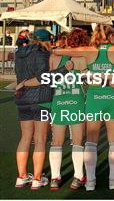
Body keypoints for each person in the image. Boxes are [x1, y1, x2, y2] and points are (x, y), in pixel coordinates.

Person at [54, 25, 114, 190]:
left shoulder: (89, 50)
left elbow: (58, 52)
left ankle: (90, 181)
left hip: (94, 98)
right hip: (112, 97)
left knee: (91, 142)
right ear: (111, 36)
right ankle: (113, 180)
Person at [14, 29, 75, 190]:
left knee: (25, 138)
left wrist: (24, 84)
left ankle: (21, 177)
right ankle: (37, 178)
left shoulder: (19, 53)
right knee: (40, 139)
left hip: (22, 99)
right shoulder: (42, 54)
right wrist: (64, 69)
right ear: (45, 41)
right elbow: (43, 78)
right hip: (40, 99)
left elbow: (20, 75)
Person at [48, 29, 88, 190]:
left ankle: (54, 178)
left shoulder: (54, 57)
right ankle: (78, 177)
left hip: (58, 101)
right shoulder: (82, 59)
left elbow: (49, 79)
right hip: (76, 101)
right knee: (77, 142)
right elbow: (87, 81)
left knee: (56, 142)